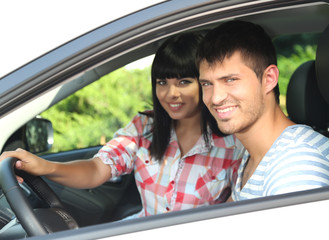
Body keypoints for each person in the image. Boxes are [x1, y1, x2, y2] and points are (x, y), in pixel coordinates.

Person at [0, 32, 243, 217]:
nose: (170, 94)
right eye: (161, 82)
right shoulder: (144, 127)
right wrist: (45, 167)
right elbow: (97, 170)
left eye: (184, 82)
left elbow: (237, 208)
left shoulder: (232, 142)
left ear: (204, 82)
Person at [196, 20, 329, 201]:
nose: (215, 98)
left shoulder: (295, 167)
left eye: (230, 80)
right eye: (207, 84)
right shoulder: (257, 153)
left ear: (269, 79)